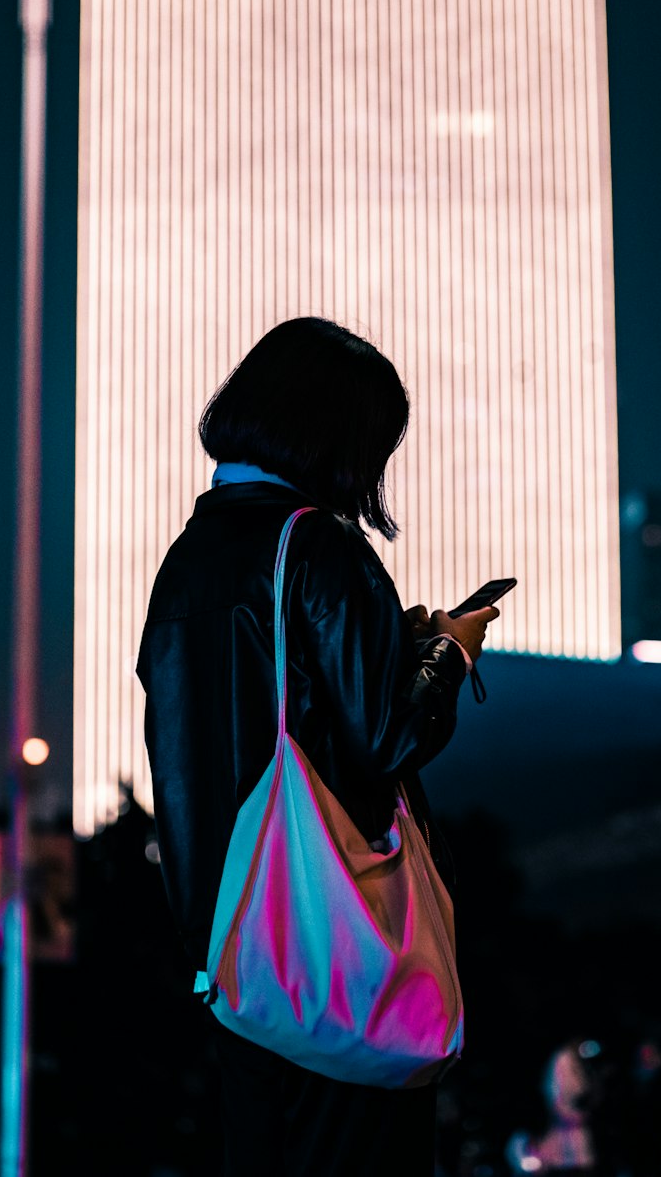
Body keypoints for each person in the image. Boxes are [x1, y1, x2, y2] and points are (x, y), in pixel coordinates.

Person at [136, 316, 500, 1177]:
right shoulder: (321, 544)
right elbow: (389, 734)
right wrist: (450, 649)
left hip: (234, 952)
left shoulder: (188, 560)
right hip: (335, 942)